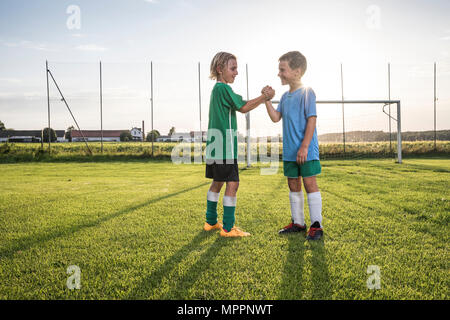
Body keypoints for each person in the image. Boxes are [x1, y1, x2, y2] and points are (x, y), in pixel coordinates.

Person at [204, 52, 274, 237]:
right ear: (220, 69)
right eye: (232, 68)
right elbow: (243, 107)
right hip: (224, 146)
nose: (236, 72)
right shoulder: (223, 89)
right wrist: (264, 97)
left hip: (214, 146)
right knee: (233, 183)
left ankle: (210, 222)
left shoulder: (216, 90)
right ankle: (228, 228)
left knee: (217, 182)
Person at [263, 51, 323, 240]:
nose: (279, 73)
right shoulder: (284, 97)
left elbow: (311, 120)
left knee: (309, 183)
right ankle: (298, 222)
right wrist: (266, 100)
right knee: (293, 184)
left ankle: (316, 225)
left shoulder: (307, 92)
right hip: (290, 151)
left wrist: (304, 146)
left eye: (282, 70)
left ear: (297, 72)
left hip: (306, 151)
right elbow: (275, 118)